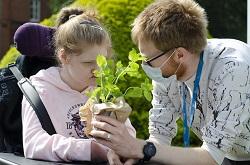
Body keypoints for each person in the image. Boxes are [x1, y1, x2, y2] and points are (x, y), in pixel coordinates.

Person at [90, 0, 250, 164]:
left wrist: (139, 147)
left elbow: (210, 156)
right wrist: (132, 155)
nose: (145, 66)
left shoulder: (233, 69)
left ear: (179, 55)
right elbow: (160, 136)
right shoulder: (167, 73)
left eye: (148, 60)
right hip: (226, 155)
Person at [21, 7, 136, 162]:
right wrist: (90, 149)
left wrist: (124, 152)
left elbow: (128, 136)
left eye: (103, 62)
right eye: (88, 63)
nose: (98, 71)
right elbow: (33, 144)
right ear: (64, 56)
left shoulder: (105, 91)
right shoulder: (39, 90)